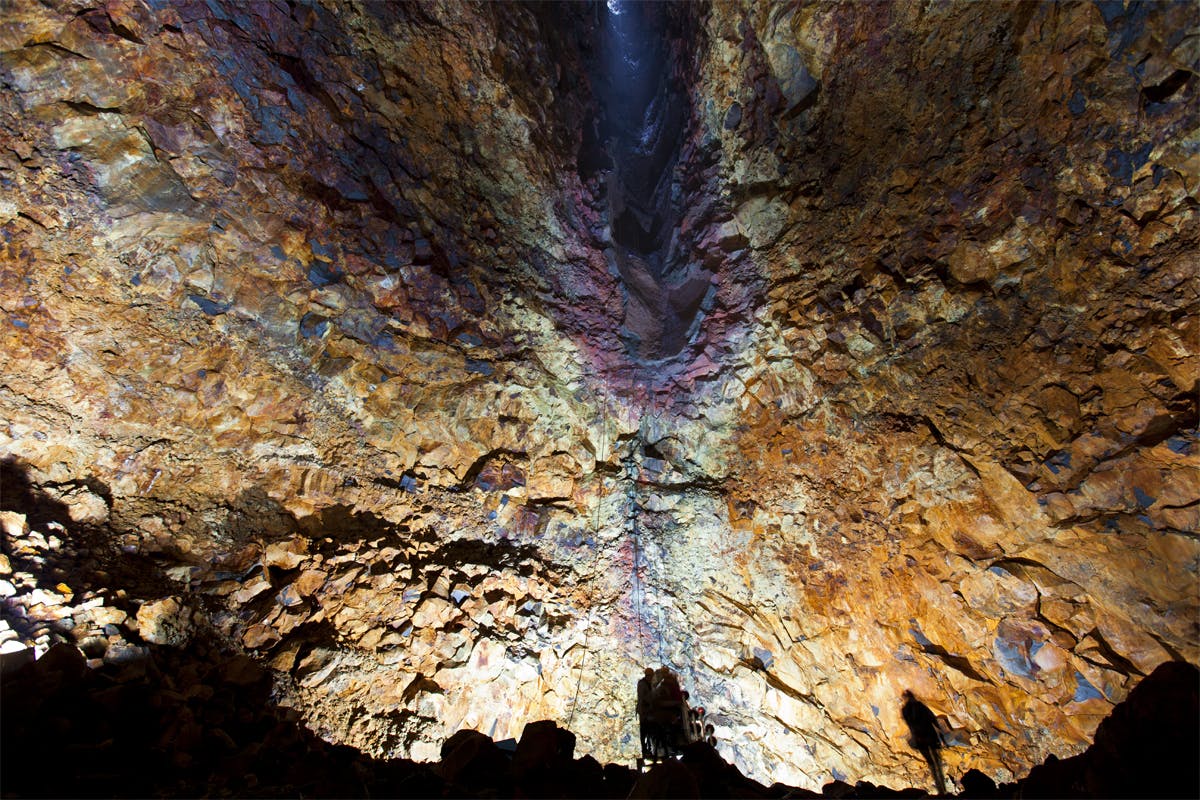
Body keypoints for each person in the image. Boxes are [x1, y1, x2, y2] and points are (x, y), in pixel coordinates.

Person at [901, 689, 947, 795]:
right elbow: (932, 719)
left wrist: (915, 738)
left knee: (932, 762)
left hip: (920, 738)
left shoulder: (905, 710)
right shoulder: (918, 706)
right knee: (936, 762)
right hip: (928, 736)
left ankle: (941, 789)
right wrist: (941, 734)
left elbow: (911, 725)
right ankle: (942, 789)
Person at [636, 667, 654, 759]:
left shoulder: (647, 683)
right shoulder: (643, 684)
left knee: (648, 732)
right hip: (645, 712)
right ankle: (645, 750)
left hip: (647, 712)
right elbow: (643, 698)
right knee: (645, 732)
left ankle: (649, 749)